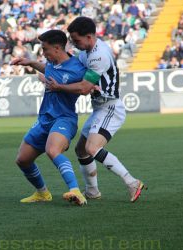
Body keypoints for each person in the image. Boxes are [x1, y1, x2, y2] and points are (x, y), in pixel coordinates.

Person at [46, 17, 146, 202]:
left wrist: (59, 86)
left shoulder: (98, 55)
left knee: (92, 148)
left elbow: (83, 88)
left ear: (90, 37)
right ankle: (92, 191)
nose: (74, 44)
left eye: (76, 40)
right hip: (100, 108)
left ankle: (132, 182)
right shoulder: (86, 51)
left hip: (110, 108)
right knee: (81, 150)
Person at [10, 30, 87, 206]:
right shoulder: (52, 62)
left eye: (45, 49)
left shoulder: (77, 68)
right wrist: (30, 62)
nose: (43, 53)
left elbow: (86, 86)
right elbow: (47, 68)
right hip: (44, 118)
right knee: (22, 160)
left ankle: (75, 190)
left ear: (58, 48)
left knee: (53, 150)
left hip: (64, 118)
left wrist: (93, 88)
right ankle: (42, 193)